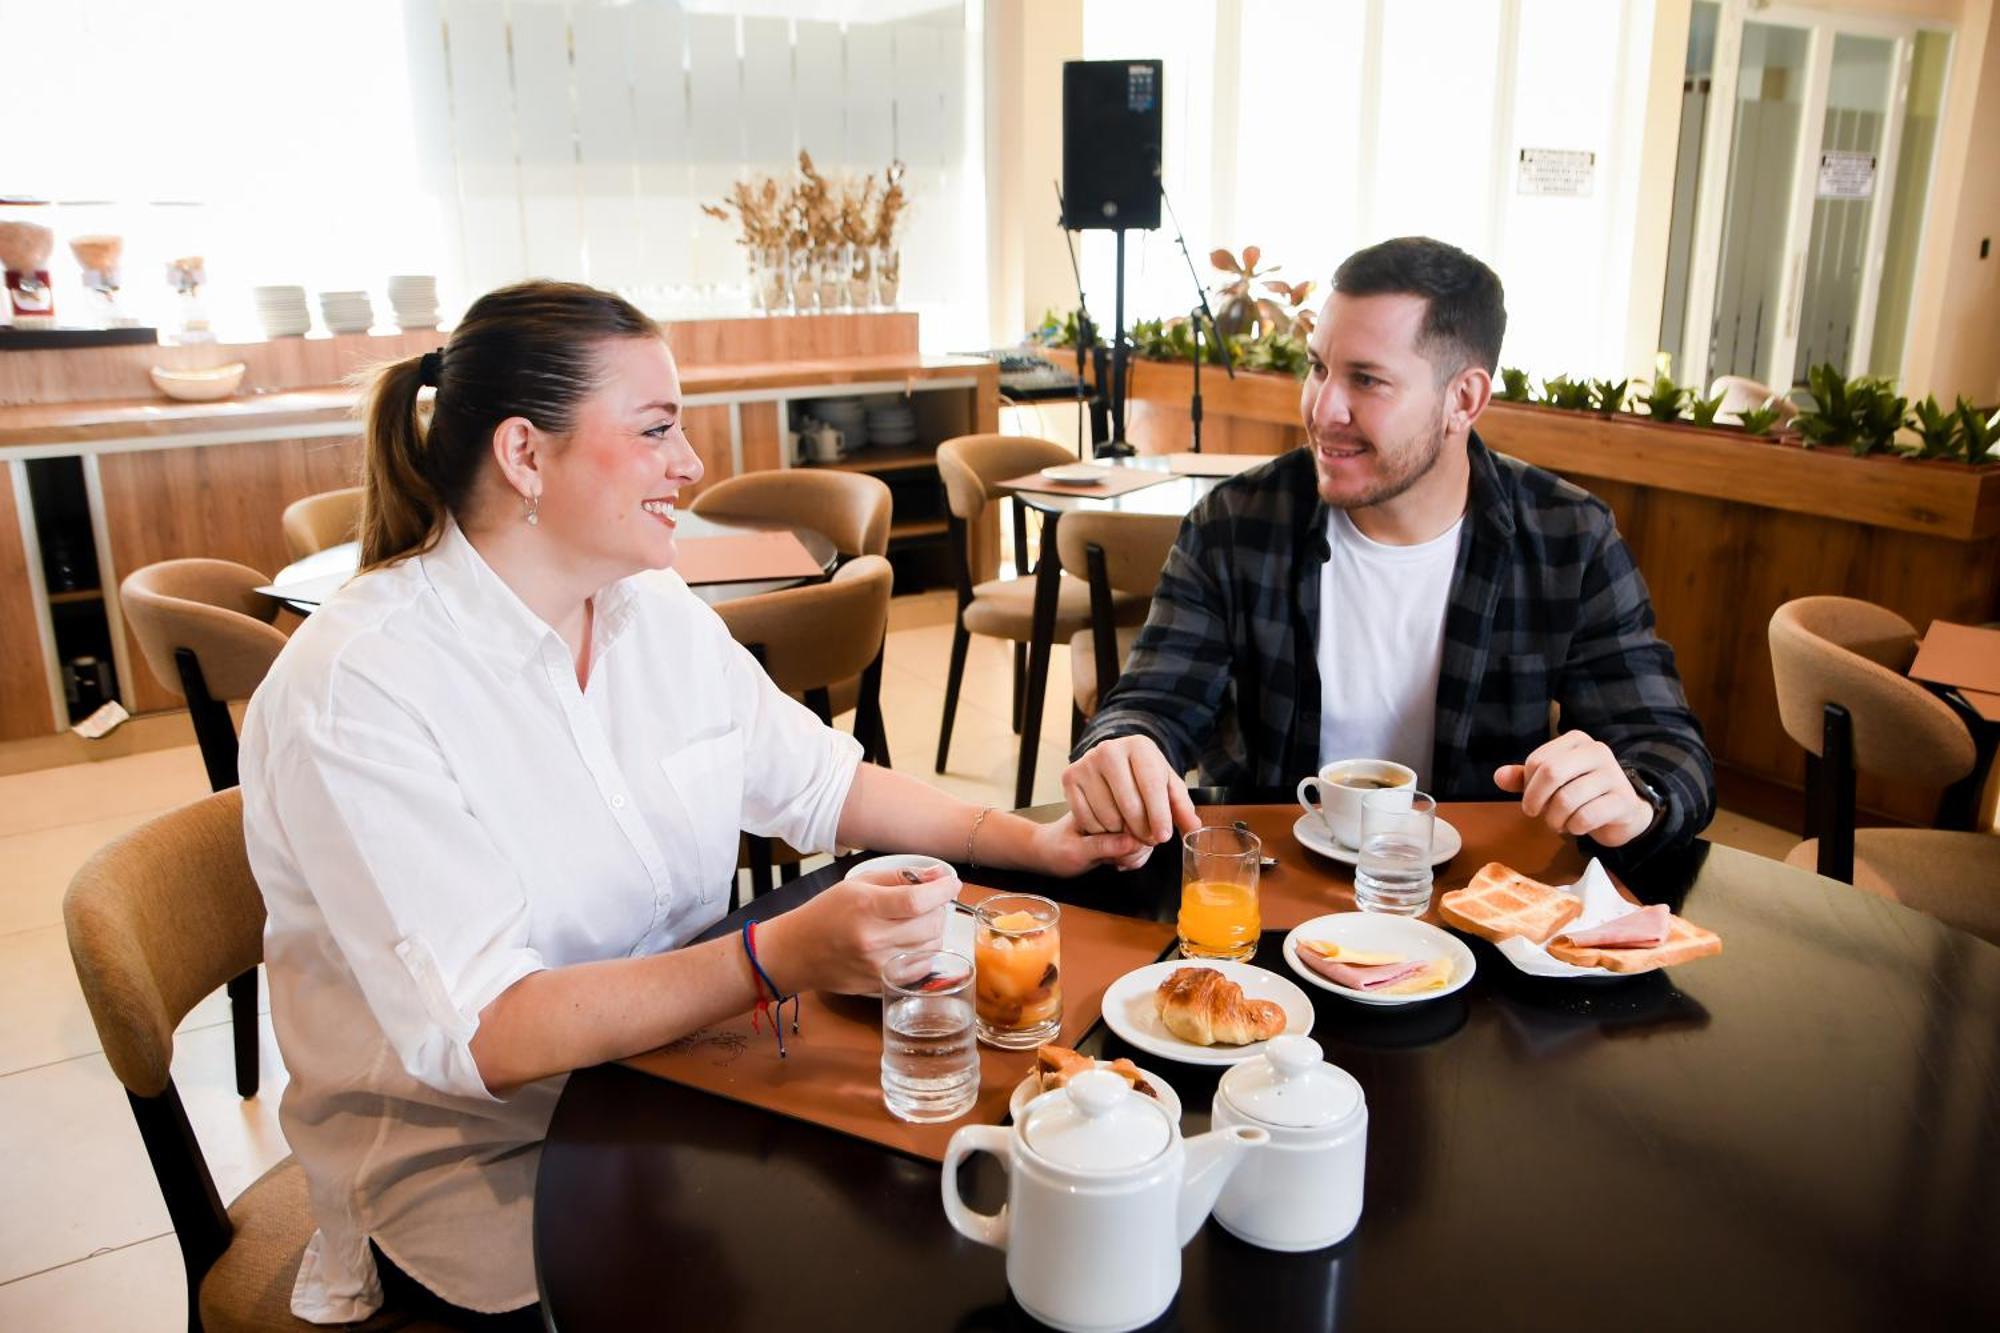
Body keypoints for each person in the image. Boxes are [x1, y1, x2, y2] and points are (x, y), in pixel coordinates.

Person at [239, 281, 1143, 1326]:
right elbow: (486, 1029)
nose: (692, 464)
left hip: (678, 1080)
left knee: (955, 1216)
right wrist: (775, 959)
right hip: (480, 1164)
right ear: (524, 455)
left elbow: (816, 776)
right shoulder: (360, 689)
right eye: (657, 429)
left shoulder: (644, 606)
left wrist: (1025, 842)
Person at [1065, 236, 1714, 869]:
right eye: (1318, 367)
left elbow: (1666, 750)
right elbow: (1152, 705)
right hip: (1266, 888)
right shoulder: (1234, 523)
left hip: (1467, 906)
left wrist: (1635, 797)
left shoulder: (1569, 536)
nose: (1322, 408)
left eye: (1367, 380)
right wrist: (1126, 747)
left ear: (1465, 399)